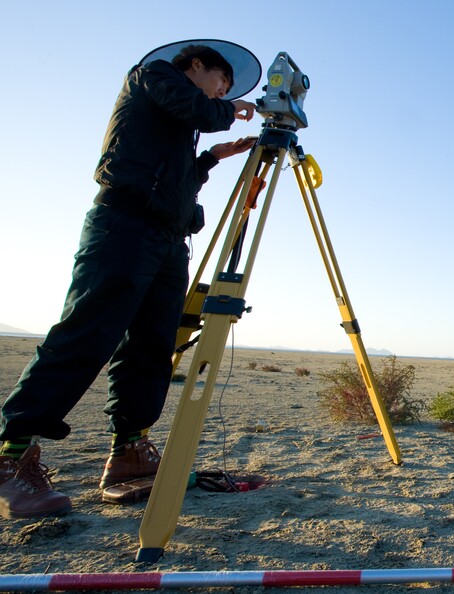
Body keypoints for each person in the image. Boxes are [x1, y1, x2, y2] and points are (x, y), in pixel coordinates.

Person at [0, 42, 261, 519]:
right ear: (194, 65)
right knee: (87, 334)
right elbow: (195, 110)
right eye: (221, 79)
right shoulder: (153, 75)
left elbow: (173, 173)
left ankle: (130, 452)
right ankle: (10, 455)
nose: (225, 90)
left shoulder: (181, 125)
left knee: (151, 347)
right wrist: (228, 109)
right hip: (123, 227)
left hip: (166, 239)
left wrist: (209, 160)